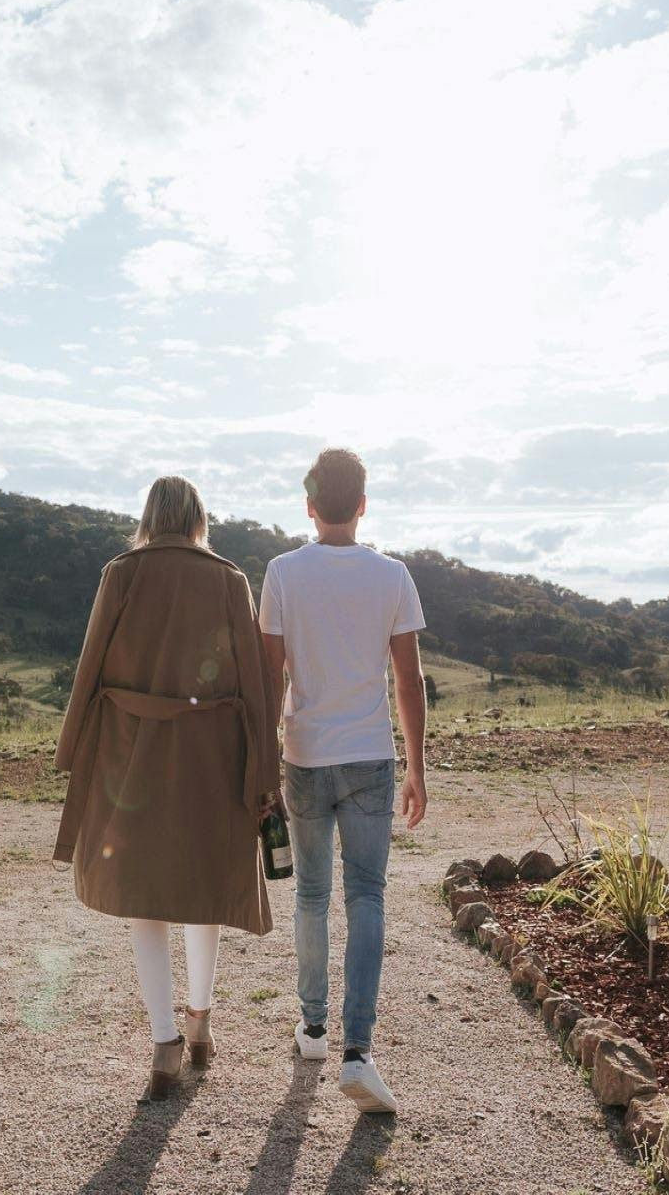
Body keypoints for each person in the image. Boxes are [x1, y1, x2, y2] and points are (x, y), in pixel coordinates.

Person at [54, 476, 280, 1102]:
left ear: (150, 516)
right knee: (203, 889)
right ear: (200, 518)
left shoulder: (120, 572)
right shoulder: (230, 578)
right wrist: (265, 767)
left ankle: (163, 1045)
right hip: (213, 755)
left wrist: (71, 749)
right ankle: (201, 1024)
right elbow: (257, 685)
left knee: (143, 896)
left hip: (133, 755)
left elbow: (90, 662)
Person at [259, 447, 428, 1116]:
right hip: (369, 756)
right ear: (362, 504)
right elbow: (407, 680)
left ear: (308, 506)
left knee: (311, 894)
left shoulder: (280, 572)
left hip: (302, 755)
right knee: (366, 895)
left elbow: (271, 676)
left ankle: (313, 1030)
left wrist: (263, 762)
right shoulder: (392, 576)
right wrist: (416, 766)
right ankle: (358, 1053)